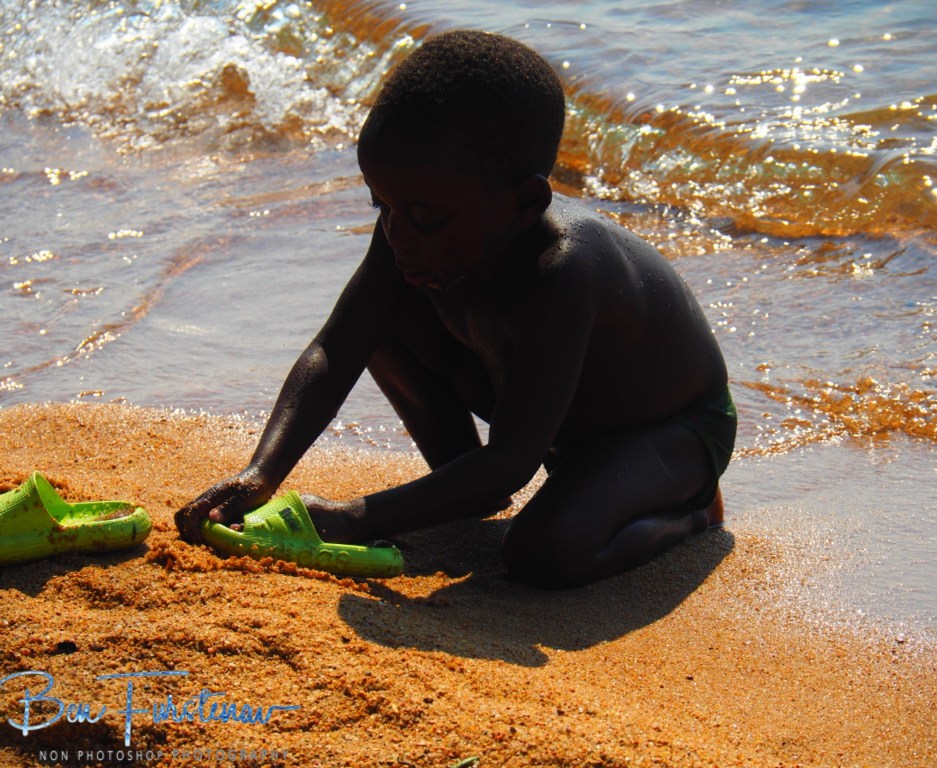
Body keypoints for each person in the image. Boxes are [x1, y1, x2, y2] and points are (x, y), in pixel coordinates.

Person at [175, 29, 736, 588]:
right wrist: (261, 472)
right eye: (381, 204)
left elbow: (516, 457)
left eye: (425, 219)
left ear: (524, 204)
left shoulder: (566, 269)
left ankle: (689, 513)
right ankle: (466, 485)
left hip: (667, 432)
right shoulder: (412, 226)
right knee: (381, 320)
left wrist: (355, 517)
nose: (397, 233)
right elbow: (337, 346)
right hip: (546, 421)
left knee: (544, 552)